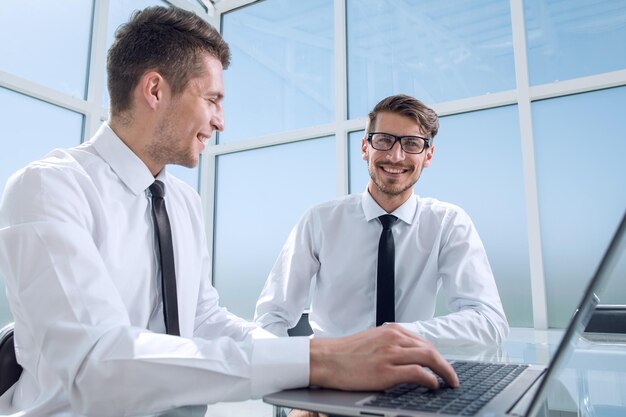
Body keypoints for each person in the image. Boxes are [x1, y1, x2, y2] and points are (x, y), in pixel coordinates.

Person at [0, 7, 459, 417]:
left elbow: (204, 319)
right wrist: (316, 361)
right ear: (155, 90)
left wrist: (320, 366)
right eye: (213, 100)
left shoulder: (182, 201)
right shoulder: (48, 188)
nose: (221, 121)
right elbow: (93, 364)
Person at [255, 94, 509, 347]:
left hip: (412, 371)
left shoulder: (448, 223)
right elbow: (271, 316)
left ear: (428, 155)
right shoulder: (320, 220)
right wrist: (292, 370)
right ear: (365, 148)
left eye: (411, 143)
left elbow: (489, 322)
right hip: (330, 371)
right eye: (384, 140)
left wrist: (400, 336)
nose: (396, 156)